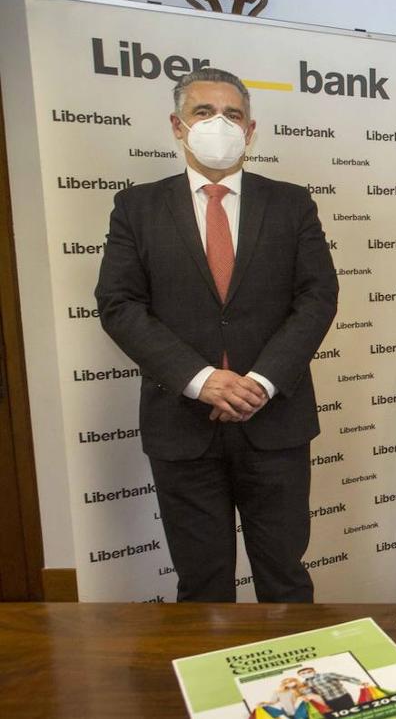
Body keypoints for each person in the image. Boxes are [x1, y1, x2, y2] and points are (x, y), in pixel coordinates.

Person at [95, 67, 337, 603]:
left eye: (233, 114)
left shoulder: (292, 204)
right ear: (178, 127)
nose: (219, 124)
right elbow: (119, 305)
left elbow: (317, 299)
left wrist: (262, 382)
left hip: (274, 423)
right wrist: (201, 380)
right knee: (202, 585)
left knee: (285, 579)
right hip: (182, 424)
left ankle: (292, 686)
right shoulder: (137, 208)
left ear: (251, 131)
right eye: (204, 112)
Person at [295, 667, 367, 712]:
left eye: (309, 672)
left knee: (351, 712)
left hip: (342, 697)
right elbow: (309, 694)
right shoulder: (305, 683)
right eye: (303, 673)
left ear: (314, 671)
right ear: (300, 675)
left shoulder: (326, 675)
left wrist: (360, 683)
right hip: (327, 702)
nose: (306, 674)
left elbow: (346, 678)